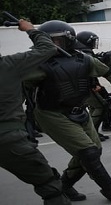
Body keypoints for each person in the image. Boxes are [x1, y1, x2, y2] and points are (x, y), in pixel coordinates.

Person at [27, 20, 111, 203]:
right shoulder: (35, 64)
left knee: (93, 151)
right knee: (87, 151)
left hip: (79, 111)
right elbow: (19, 91)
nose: (51, 45)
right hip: (52, 113)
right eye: (48, 41)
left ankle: (64, 186)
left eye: (56, 41)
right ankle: (110, 189)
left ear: (69, 39)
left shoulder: (84, 59)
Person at [0, 19, 71, 205]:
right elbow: (47, 48)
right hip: (9, 138)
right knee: (49, 184)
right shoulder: (8, 65)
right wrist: (31, 30)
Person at [76, 31, 111, 141]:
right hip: (87, 86)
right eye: (92, 41)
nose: (94, 43)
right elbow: (88, 72)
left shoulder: (82, 53)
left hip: (85, 86)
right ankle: (90, 133)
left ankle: (93, 132)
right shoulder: (85, 55)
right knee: (101, 106)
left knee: (94, 107)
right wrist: (94, 84)